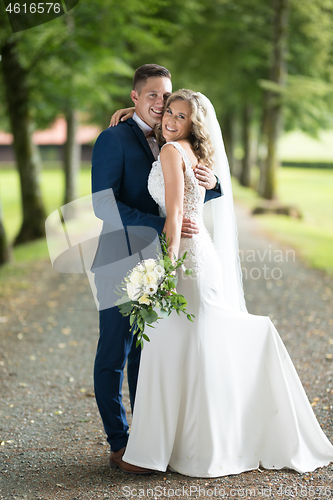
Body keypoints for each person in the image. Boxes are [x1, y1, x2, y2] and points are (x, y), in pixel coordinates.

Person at [114, 89, 333, 477]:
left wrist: (164, 267)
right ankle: (198, 444)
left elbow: (176, 214)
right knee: (195, 344)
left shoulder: (170, 152)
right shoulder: (194, 153)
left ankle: (159, 451)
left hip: (184, 259)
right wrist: (124, 113)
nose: (170, 121)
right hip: (203, 254)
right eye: (169, 113)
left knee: (173, 347)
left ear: (192, 123)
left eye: (181, 117)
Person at [91, 65, 222, 475]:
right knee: (115, 353)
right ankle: (120, 442)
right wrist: (164, 226)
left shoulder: (173, 136)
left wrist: (212, 179)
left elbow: (202, 186)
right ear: (134, 97)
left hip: (165, 263)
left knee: (151, 356)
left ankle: (148, 439)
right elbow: (103, 204)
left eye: (165, 96)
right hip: (121, 259)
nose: (160, 103)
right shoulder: (114, 137)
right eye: (151, 95)